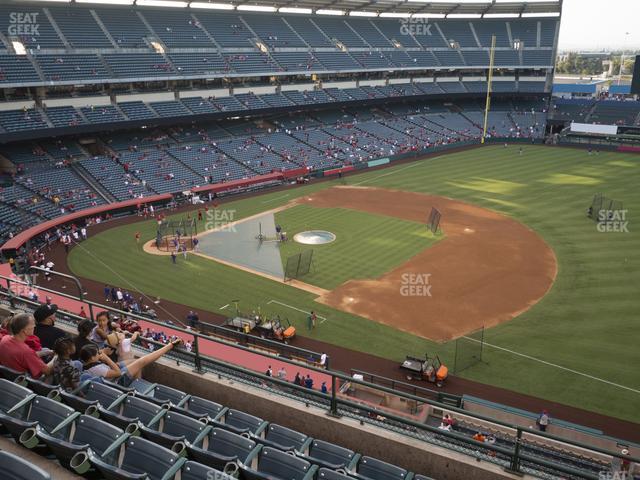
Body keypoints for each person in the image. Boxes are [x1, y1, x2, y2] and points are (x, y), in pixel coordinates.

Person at [80, 337, 181, 385]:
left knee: (135, 361)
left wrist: (105, 356)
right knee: (142, 361)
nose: (100, 353)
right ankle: (170, 345)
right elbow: (118, 373)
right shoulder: (96, 368)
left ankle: (136, 384)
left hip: (109, 376)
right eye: (97, 353)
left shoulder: (87, 363)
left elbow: (104, 367)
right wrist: (106, 358)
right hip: (117, 382)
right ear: (92, 358)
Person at [0, 313, 55, 379]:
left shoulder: (5, 338)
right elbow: (47, 371)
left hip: (6, 376)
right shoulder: (26, 351)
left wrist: (45, 352)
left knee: (45, 350)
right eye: (33, 326)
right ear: (25, 331)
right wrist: (56, 356)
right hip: (21, 382)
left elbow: (22, 357)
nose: (35, 326)